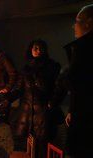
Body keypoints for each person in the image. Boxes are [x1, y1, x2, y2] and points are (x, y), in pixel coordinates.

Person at [8, 39, 61, 158]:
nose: (37, 50)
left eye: (40, 48)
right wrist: (6, 98)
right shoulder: (26, 68)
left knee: (42, 143)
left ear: (45, 50)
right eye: (34, 48)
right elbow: (18, 88)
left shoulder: (52, 66)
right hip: (28, 112)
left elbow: (56, 87)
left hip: (43, 111)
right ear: (30, 50)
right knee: (30, 142)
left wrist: (52, 102)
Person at [60, 4, 93, 157]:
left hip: (86, 122)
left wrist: (66, 75)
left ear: (89, 23)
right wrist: (72, 110)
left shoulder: (84, 48)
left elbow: (77, 82)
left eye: (77, 21)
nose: (74, 26)